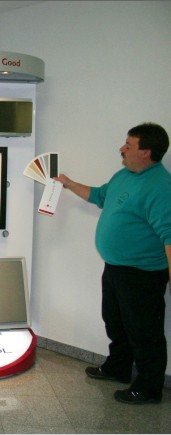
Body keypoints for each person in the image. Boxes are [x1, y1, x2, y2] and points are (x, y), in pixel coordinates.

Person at [55, 122, 171, 405]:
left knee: (144, 333)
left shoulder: (161, 187)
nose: (122, 148)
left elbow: (169, 237)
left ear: (146, 152)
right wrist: (68, 183)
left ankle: (148, 388)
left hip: (143, 274)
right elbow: (99, 196)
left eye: (129, 145)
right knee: (115, 321)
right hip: (116, 268)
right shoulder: (124, 175)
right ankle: (118, 368)